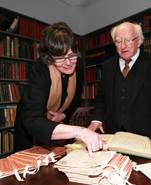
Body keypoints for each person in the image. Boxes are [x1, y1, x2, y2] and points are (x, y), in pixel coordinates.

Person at [14, 22, 105, 157]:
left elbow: (75, 95)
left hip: (59, 124)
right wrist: (80, 132)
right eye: (60, 58)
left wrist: (64, 114)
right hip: (31, 129)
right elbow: (32, 119)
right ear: (49, 58)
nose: (68, 63)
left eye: (72, 55)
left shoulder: (78, 65)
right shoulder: (41, 69)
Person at [88, 22, 151, 149]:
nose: (123, 46)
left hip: (146, 137)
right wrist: (97, 120)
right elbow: (101, 97)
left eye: (128, 40)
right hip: (114, 135)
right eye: (118, 41)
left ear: (139, 41)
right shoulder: (108, 66)